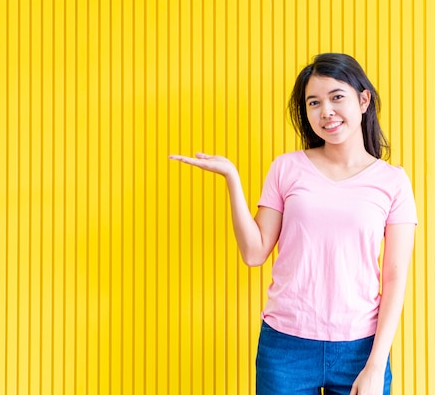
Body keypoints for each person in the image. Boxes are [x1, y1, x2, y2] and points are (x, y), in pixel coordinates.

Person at [169, 52, 417, 395]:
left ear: (363, 100)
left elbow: (394, 279)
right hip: (286, 347)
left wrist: (376, 364)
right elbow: (254, 253)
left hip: (360, 349)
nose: (325, 111)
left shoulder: (393, 182)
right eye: (313, 102)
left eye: (336, 97)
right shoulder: (286, 168)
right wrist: (232, 178)